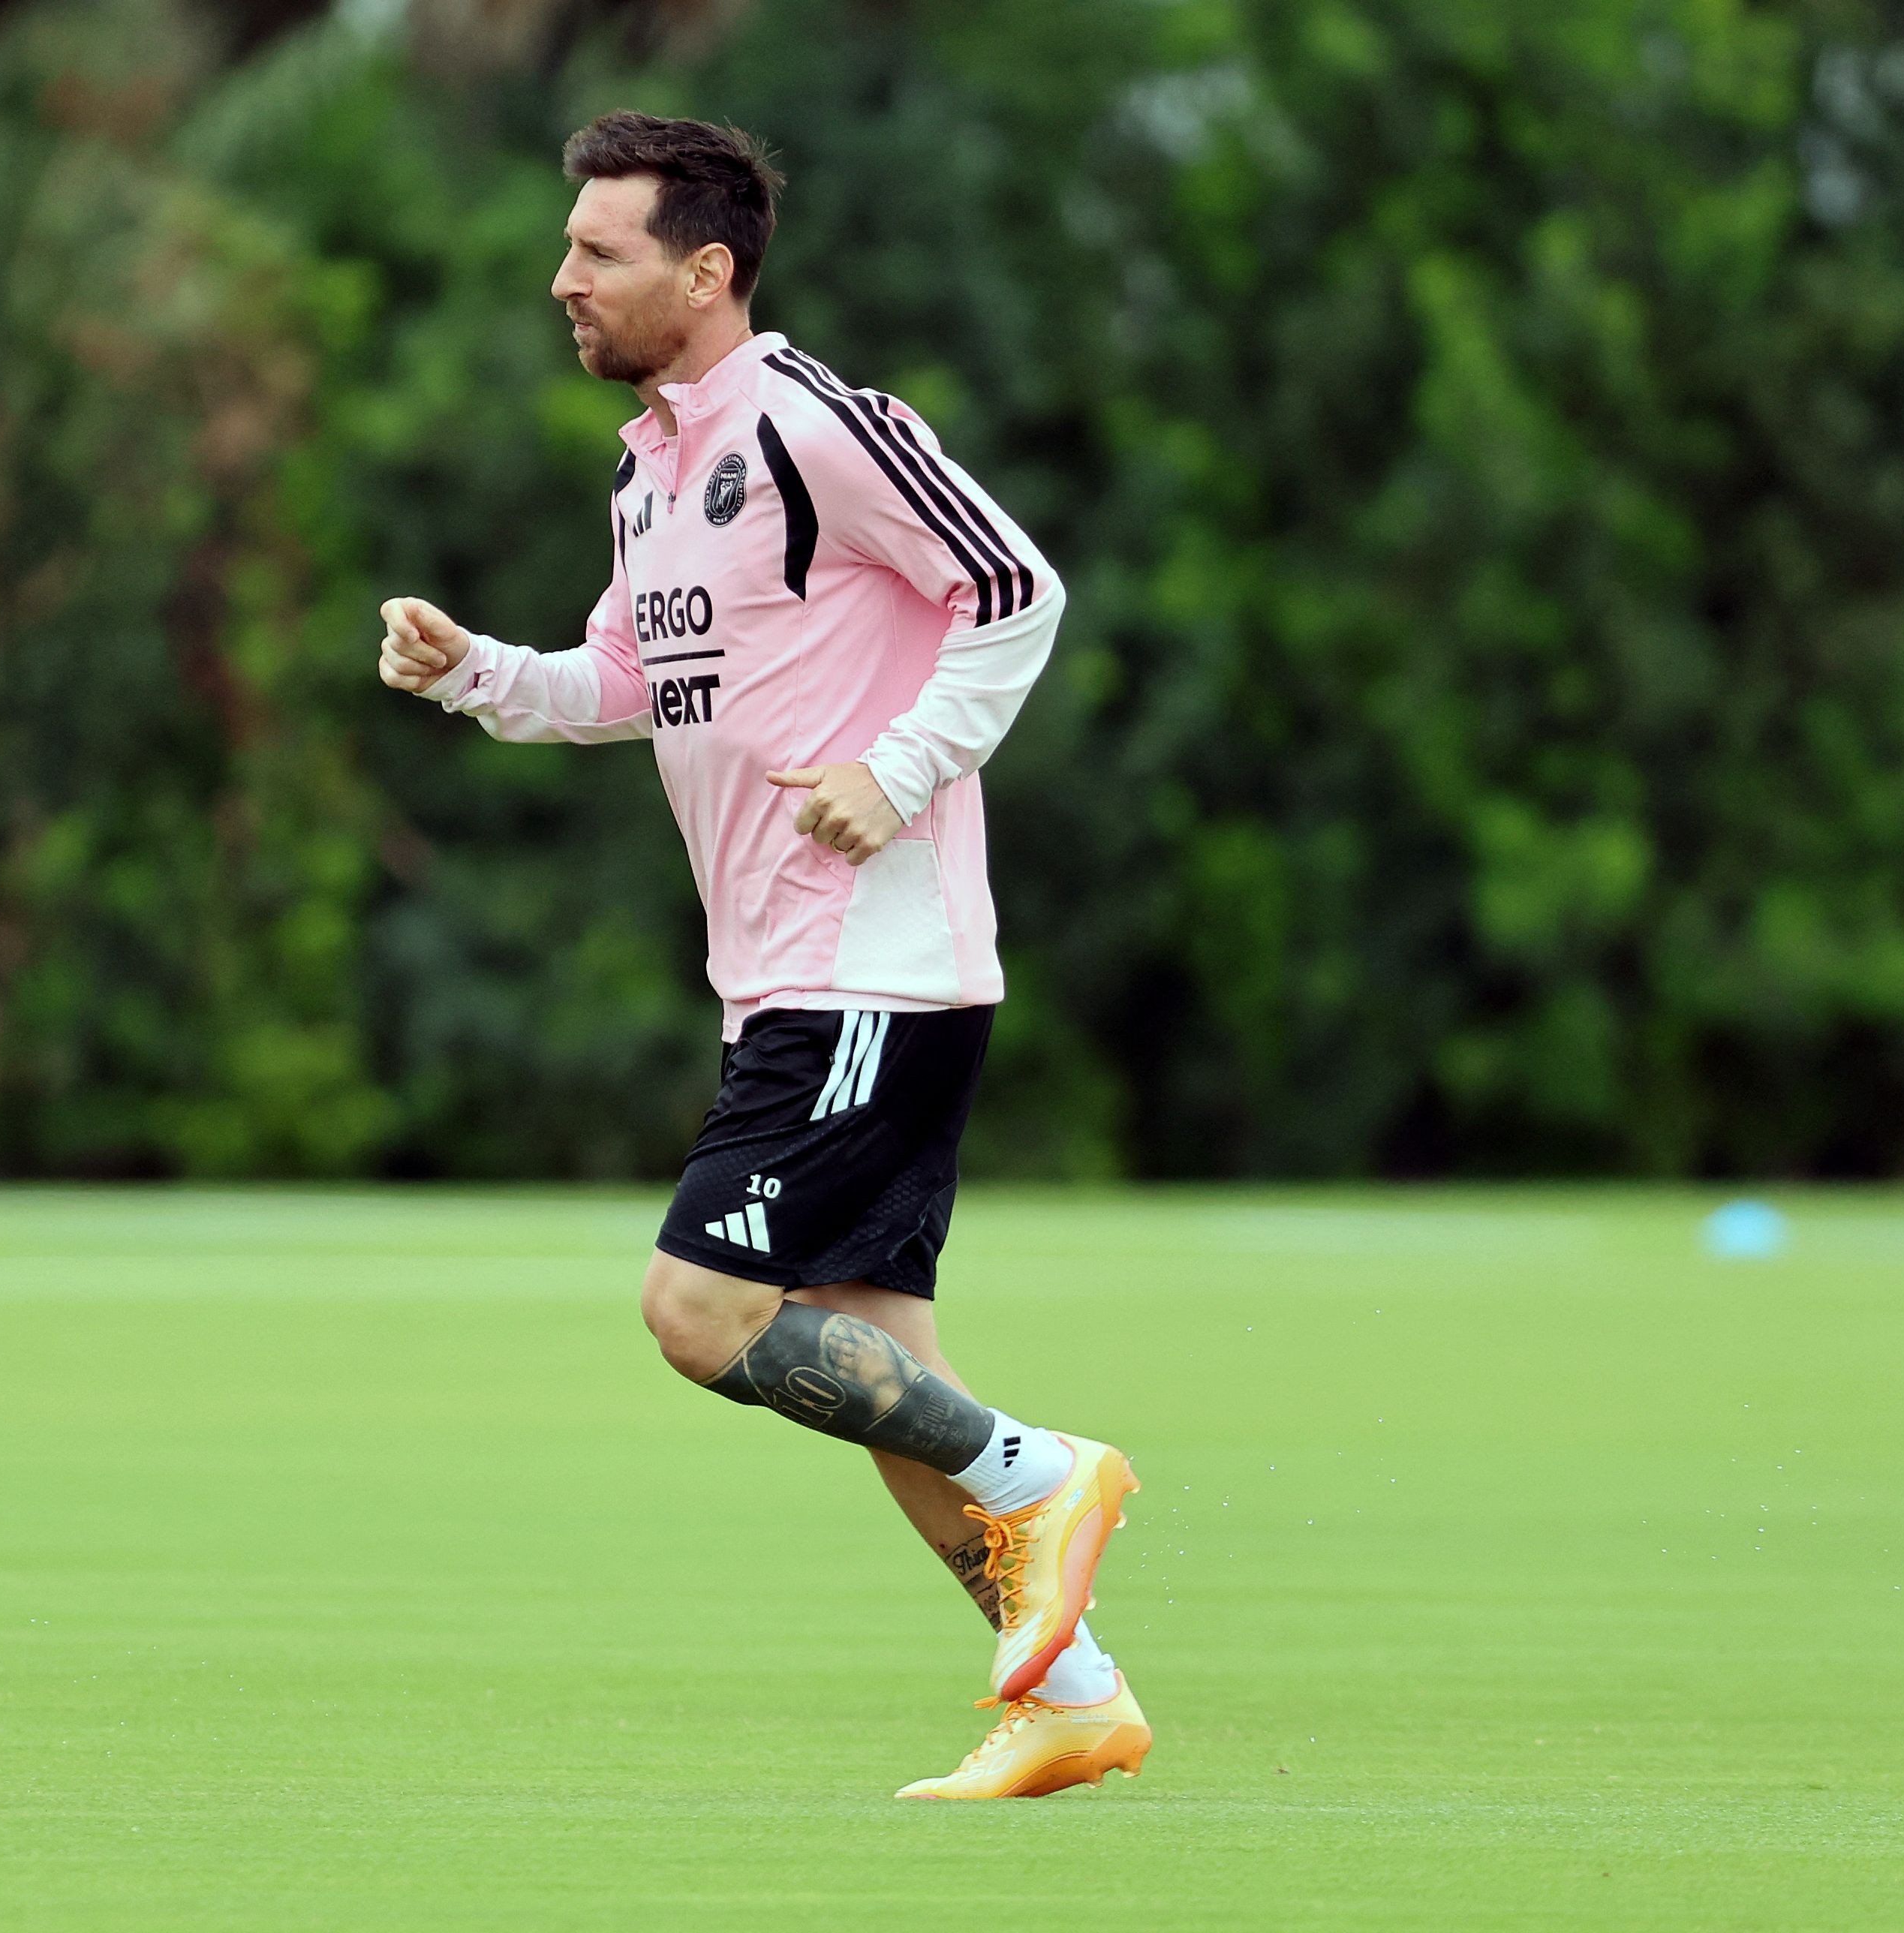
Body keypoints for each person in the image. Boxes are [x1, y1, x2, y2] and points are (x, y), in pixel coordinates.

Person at [375, 112, 1145, 1801]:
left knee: (701, 1308)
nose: (563, 277)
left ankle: (1042, 1472)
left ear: (706, 270)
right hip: (786, 979)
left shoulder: (815, 424)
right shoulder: (650, 471)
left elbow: (1017, 588)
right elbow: (630, 684)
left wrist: (901, 768)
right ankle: (1074, 1695)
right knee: (876, 1361)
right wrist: (473, 671)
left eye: (600, 250)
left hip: (869, 967)